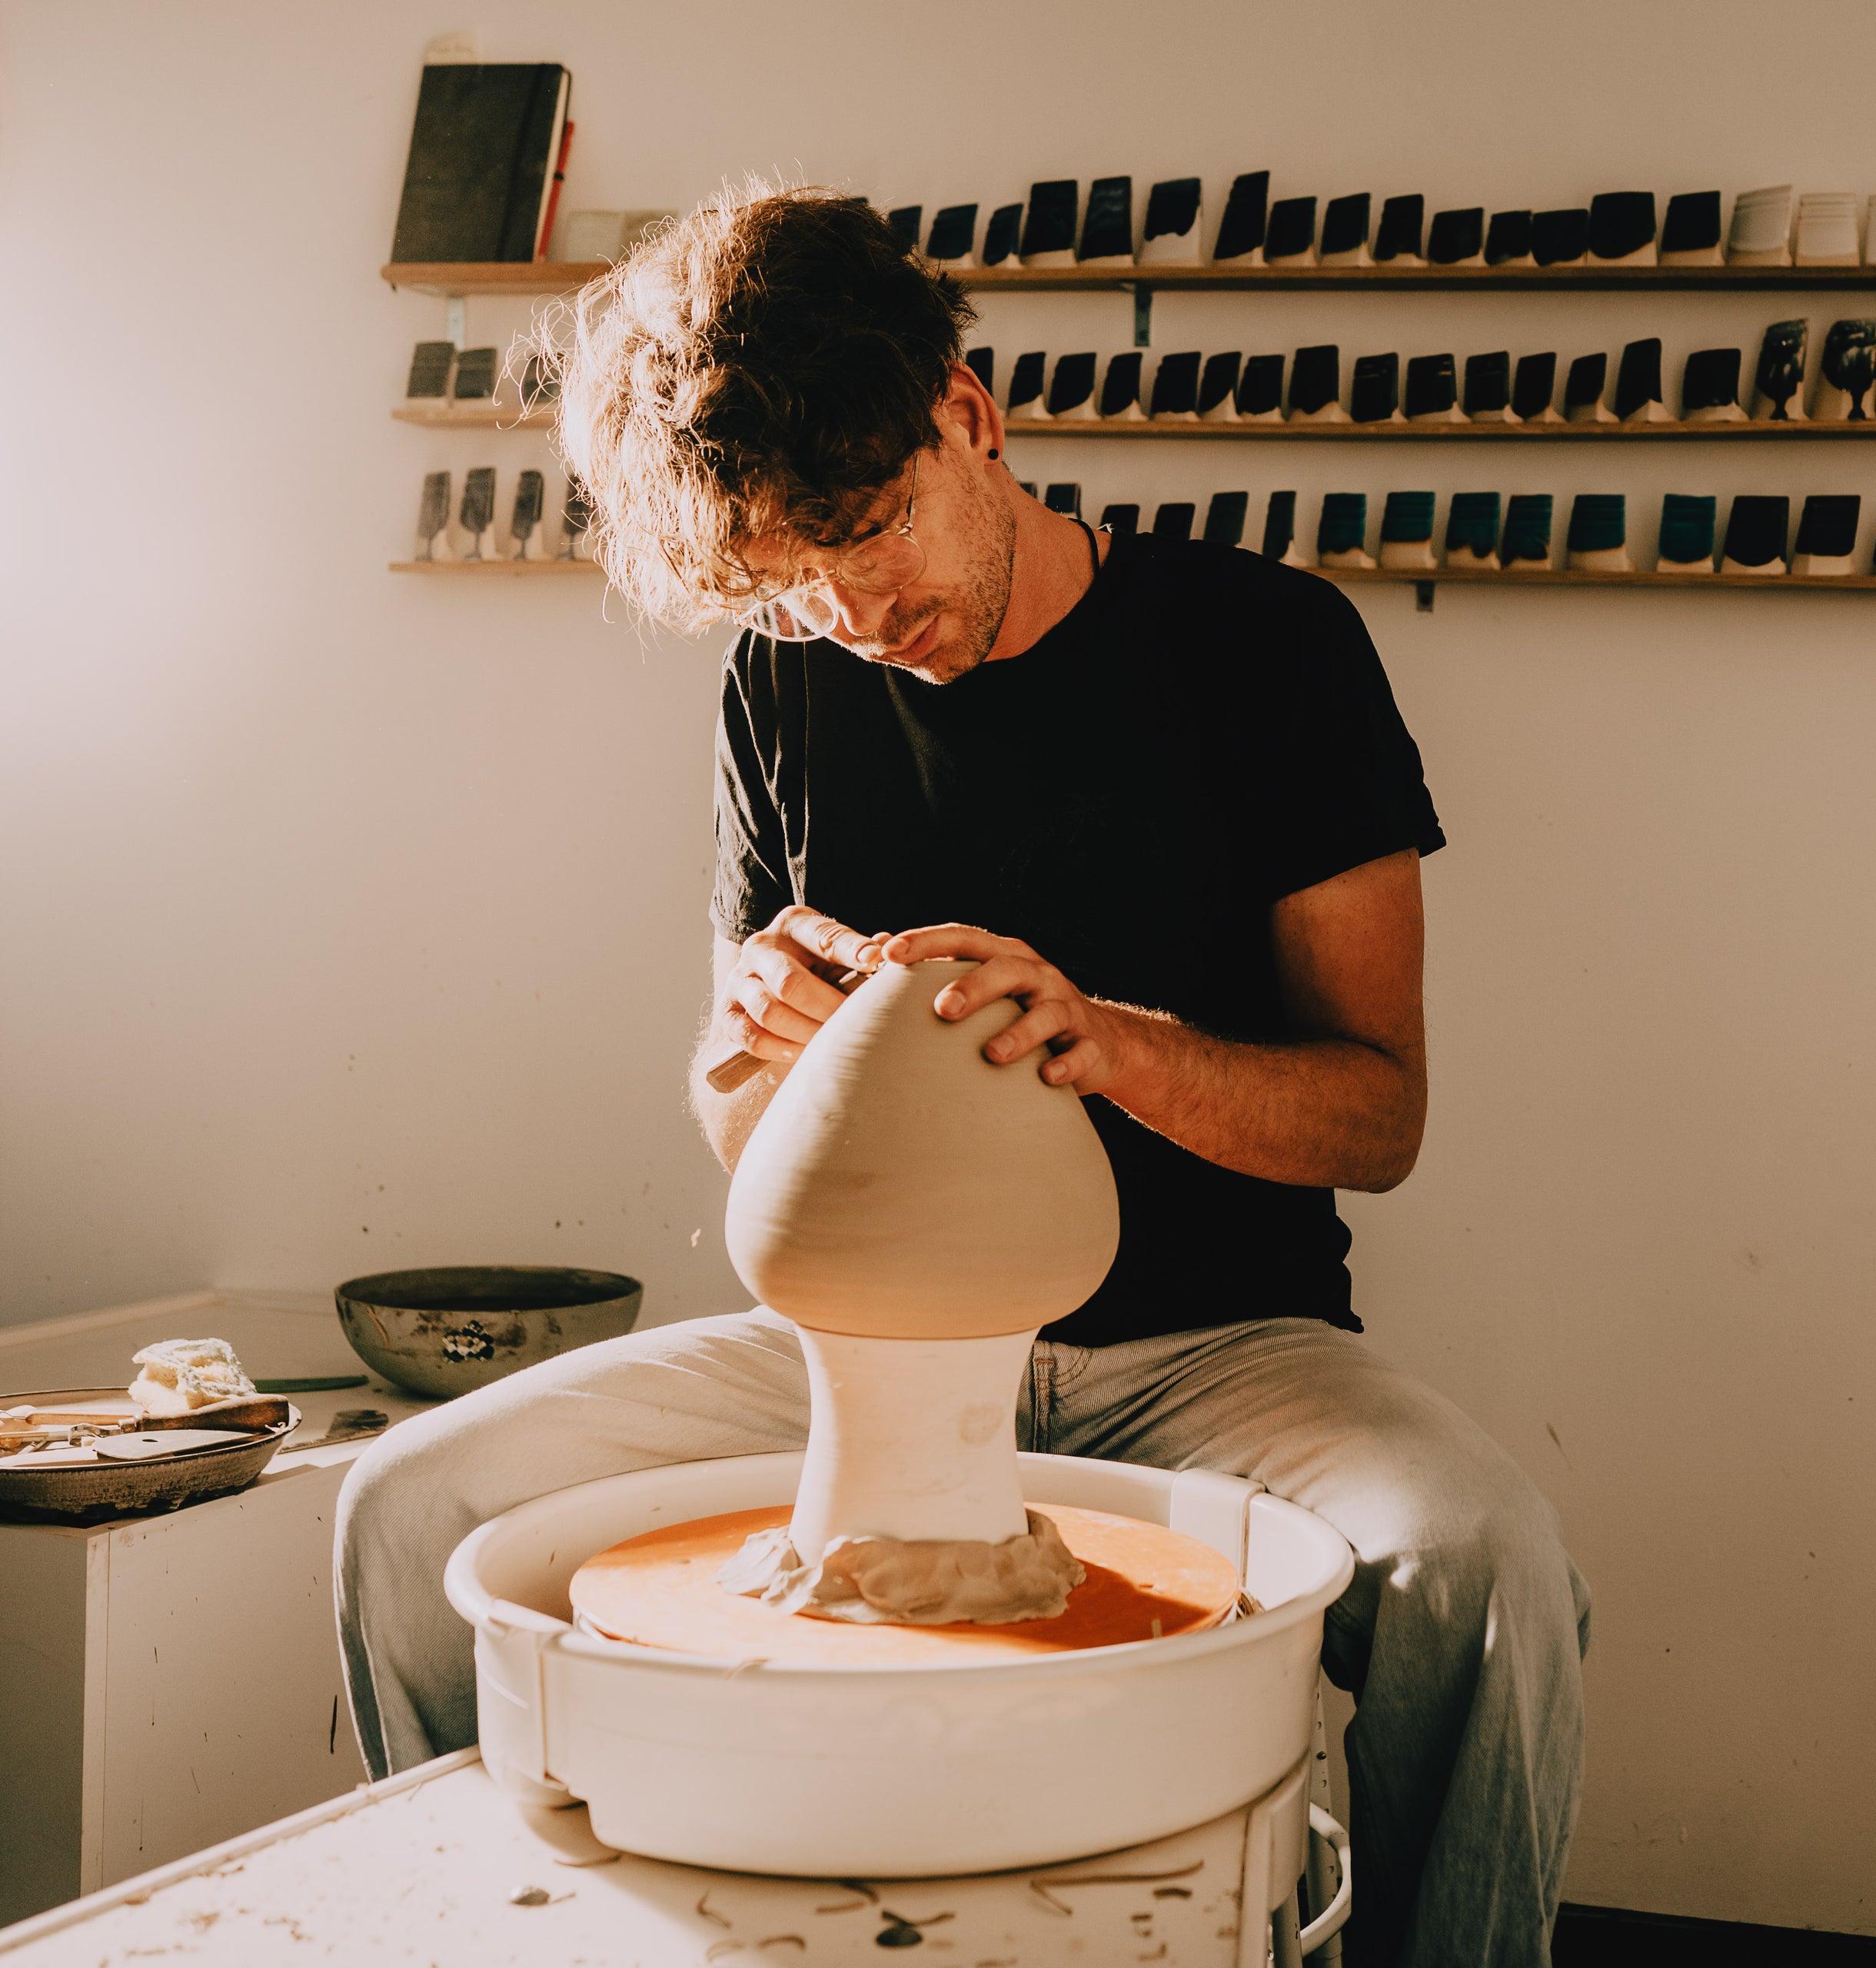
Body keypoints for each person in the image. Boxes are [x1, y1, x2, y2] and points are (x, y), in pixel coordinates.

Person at [332, 183, 1589, 1968]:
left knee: (1493, 1571)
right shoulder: (785, 687)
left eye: (865, 529)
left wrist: (1111, 1043)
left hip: (1216, 1353)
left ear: (968, 419)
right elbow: (747, 1143)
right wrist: (745, 1048)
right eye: (787, 574)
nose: (852, 607)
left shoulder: (1272, 648)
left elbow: (1380, 1113)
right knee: (405, 1512)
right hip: (857, 1351)